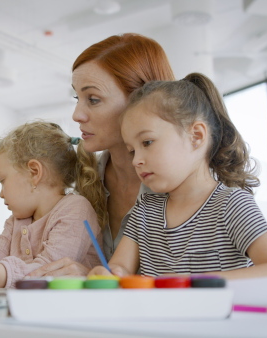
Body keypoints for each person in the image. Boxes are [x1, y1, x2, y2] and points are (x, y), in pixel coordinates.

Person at [89, 75, 267, 279]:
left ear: (196, 136)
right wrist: (108, 273)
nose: (136, 160)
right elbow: (121, 268)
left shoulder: (231, 205)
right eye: (132, 151)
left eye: (147, 143)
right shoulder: (145, 210)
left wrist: (199, 283)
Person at [27, 33, 175, 278]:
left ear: (143, 100)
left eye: (93, 99)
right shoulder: (86, 180)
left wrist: (91, 277)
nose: (76, 115)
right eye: (78, 98)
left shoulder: (189, 187)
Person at [0, 121, 104, 288]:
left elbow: (48, 271)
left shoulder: (76, 209)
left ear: (34, 172)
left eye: (3, 181)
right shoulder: (16, 220)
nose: (1, 193)